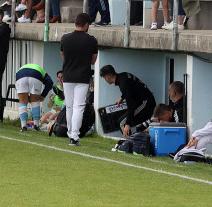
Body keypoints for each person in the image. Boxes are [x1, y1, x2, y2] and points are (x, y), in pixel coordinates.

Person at [59, 12, 98, 146]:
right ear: (86, 25)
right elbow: (93, 60)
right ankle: (74, 136)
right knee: (79, 106)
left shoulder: (65, 38)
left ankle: (70, 132)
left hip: (68, 75)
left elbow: (63, 54)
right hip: (83, 76)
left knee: (69, 106)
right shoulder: (91, 40)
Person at [99, 64, 157, 138]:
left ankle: (129, 144)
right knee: (135, 125)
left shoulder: (123, 84)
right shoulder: (123, 75)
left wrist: (127, 124)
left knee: (122, 123)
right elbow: (131, 88)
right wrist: (122, 97)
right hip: (146, 101)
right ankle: (147, 126)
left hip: (146, 104)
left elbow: (131, 104)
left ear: (107, 78)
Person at [14, 63, 56, 131]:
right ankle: (36, 126)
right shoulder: (42, 71)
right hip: (35, 75)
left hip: (20, 76)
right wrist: (43, 95)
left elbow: (16, 85)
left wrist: (25, 96)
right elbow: (50, 83)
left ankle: (23, 126)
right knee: (35, 102)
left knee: (22, 102)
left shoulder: (21, 69)